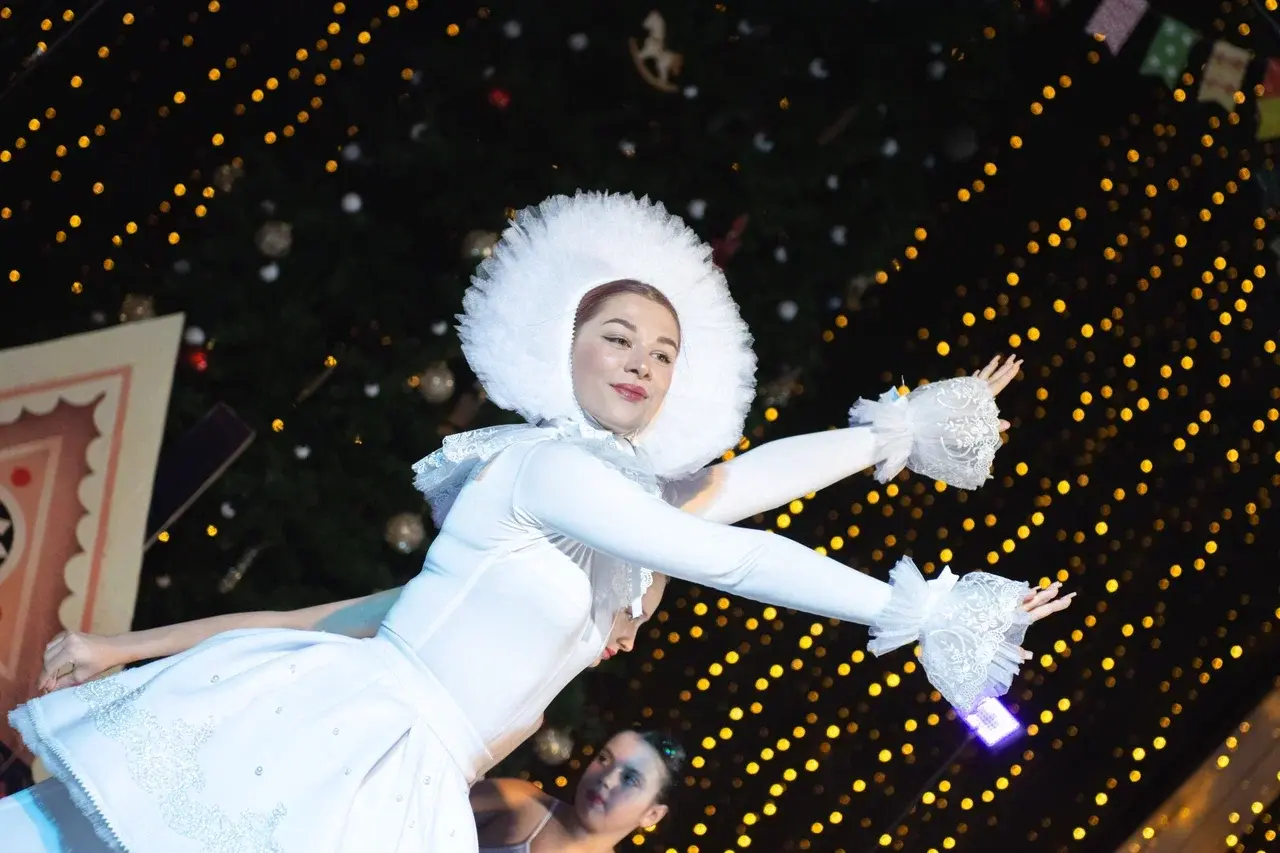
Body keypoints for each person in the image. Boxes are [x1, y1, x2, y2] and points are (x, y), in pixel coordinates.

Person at [1, 191, 1072, 853]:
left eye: (662, 353)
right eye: (617, 337)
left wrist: (904, 430)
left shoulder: (610, 511)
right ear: (563, 347)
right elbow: (725, 554)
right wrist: (917, 609)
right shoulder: (551, 469)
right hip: (354, 737)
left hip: (410, 774)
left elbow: (318, 616)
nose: (642, 363)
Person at [470, 729, 684, 853]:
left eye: (630, 779)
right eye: (604, 759)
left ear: (652, 815)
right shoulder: (519, 800)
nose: (607, 779)